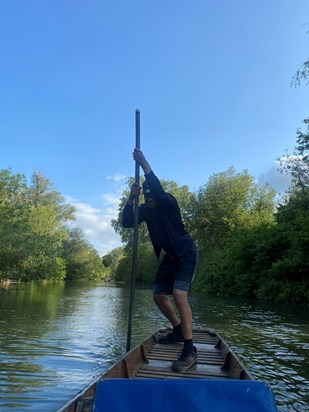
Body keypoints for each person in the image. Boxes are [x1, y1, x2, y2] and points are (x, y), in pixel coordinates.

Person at [122, 148, 198, 372]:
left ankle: (189, 348)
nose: (150, 200)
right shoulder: (145, 209)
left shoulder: (168, 202)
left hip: (186, 253)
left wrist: (144, 162)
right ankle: (177, 329)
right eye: (147, 197)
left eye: (152, 196)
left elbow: (156, 187)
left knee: (178, 294)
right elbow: (127, 222)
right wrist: (131, 198)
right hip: (170, 257)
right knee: (158, 295)